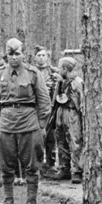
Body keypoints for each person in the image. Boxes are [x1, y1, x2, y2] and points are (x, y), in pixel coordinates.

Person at [0, 38, 52, 204]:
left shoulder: (33, 74)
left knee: (32, 165)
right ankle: (8, 199)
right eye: (10, 54)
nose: (14, 57)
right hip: (6, 123)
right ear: (6, 55)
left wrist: (41, 125)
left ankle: (31, 201)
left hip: (28, 123)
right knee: (5, 164)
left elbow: (44, 101)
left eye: (17, 53)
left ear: (23, 54)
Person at [48, 56, 83, 183]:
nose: (58, 70)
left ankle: (77, 170)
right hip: (60, 111)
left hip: (72, 112)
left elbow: (80, 100)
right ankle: (64, 168)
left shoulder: (77, 82)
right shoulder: (60, 81)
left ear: (65, 68)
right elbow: (55, 99)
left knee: (74, 140)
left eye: (59, 67)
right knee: (61, 140)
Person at [34, 47, 59, 175]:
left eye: (44, 55)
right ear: (35, 57)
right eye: (39, 55)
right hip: (35, 109)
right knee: (37, 136)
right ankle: (37, 162)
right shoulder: (31, 72)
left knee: (51, 136)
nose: (41, 57)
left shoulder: (54, 72)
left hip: (51, 108)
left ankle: (51, 162)